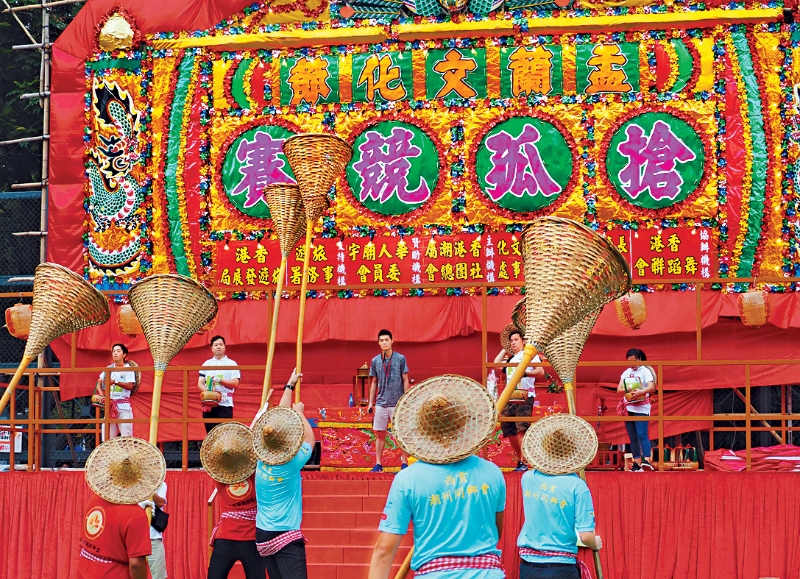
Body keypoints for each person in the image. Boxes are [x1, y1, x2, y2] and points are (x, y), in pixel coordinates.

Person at [368, 375, 506, 579]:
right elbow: (496, 531)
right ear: (464, 422)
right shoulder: (492, 473)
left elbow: (384, 550)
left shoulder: (408, 479)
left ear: (422, 428)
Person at [517, 414, 602, 579]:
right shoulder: (577, 486)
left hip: (529, 566)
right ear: (573, 451)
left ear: (544, 448)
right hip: (561, 566)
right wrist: (595, 543)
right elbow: (585, 536)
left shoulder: (527, 479)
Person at [252, 370, 315, 579]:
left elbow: (277, 422)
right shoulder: (290, 463)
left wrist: (289, 385)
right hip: (284, 533)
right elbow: (310, 441)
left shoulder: (260, 458)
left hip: (263, 534)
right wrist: (300, 413)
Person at [78, 437, 166, 579]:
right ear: (140, 478)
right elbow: (136, 564)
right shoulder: (135, 515)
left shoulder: (95, 499)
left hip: (85, 571)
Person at [201, 422, 261, 579]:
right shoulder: (256, 472)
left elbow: (212, 454)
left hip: (237, 538)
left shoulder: (219, 476)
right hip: (246, 537)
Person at [494, 328, 545, 471]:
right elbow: (497, 364)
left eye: (516, 340)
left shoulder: (529, 355)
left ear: (523, 341)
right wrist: (504, 349)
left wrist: (525, 372)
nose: (513, 343)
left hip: (525, 395)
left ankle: (524, 461)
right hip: (510, 396)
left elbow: (541, 371)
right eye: (511, 341)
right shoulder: (511, 358)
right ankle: (520, 459)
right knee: (508, 429)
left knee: (521, 428)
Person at [367, 329, 410, 472]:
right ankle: (378, 463)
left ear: (392, 341)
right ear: (378, 343)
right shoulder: (375, 361)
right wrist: (370, 402)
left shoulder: (400, 359)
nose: (384, 342)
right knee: (380, 434)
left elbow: (405, 379)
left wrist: (406, 399)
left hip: (397, 403)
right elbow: (374, 382)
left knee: (400, 434)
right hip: (381, 403)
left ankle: (404, 463)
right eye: (381, 340)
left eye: (386, 340)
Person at [616, 348, 656, 472]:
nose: (632, 364)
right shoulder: (626, 372)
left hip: (642, 407)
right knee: (632, 437)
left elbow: (651, 386)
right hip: (629, 406)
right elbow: (619, 389)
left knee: (642, 434)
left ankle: (647, 460)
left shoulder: (645, 371)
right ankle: (637, 463)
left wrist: (641, 391)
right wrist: (628, 390)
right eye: (629, 361)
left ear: (639, 359)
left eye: (634, 361)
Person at [199, 336, 241, 434]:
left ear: (225, 347)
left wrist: (220, 380)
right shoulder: (206, 364)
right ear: (212, 348)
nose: (218, 347)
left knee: (224, 434)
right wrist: (209, 393)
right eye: (216, 345)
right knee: (210, 434)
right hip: (209, 403)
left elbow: (235, 383)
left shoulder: (232, 364)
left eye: (221, 345)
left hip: (225, 403)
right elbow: (200, 383)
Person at [98, 343, 136, 440]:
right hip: (110, 406)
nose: (115, 353)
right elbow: (99, 383)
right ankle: (109, 454)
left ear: (124, 354)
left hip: (123, 407)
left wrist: (115, 382)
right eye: (114, 351)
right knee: (107, 438)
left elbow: (130, 385)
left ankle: (126, 455)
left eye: (118, 351)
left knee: (126, 437)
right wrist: (103, 397)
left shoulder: (128, 369)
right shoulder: (109, 369)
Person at [139, 481, 168, 579]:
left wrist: (149, 489)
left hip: (153, 537)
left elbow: (160, 502)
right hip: (135, 537)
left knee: (159, 575)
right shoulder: (132, 484)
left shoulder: (161, 484)